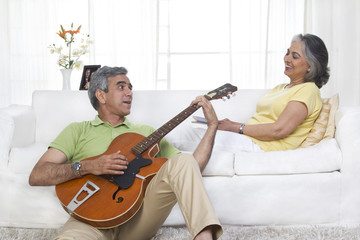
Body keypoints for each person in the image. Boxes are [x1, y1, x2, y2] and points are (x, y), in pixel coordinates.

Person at [29, 66, 223, 240]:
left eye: (131, 87)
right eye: (121, 87)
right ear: (101, 95)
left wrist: (212, 126)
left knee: (184, 159)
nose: (130, 92)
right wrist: (89, 166)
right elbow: (38, 175)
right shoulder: (77, 130)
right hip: (89, 221)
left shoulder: (147, 133)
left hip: (138, 218)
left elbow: (190, 170)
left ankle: (204, 237)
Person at [202, 33, 329, 152]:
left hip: (263, 147)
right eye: (287, 53)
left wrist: (234, 128)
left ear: (310, 66)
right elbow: (262, 121)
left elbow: (279, 130)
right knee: (194, 133)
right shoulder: (280, 88)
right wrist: (229, 124)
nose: (287, 59)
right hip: (249, 139)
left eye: (295, 56)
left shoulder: (308, 90)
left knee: (187, 135)